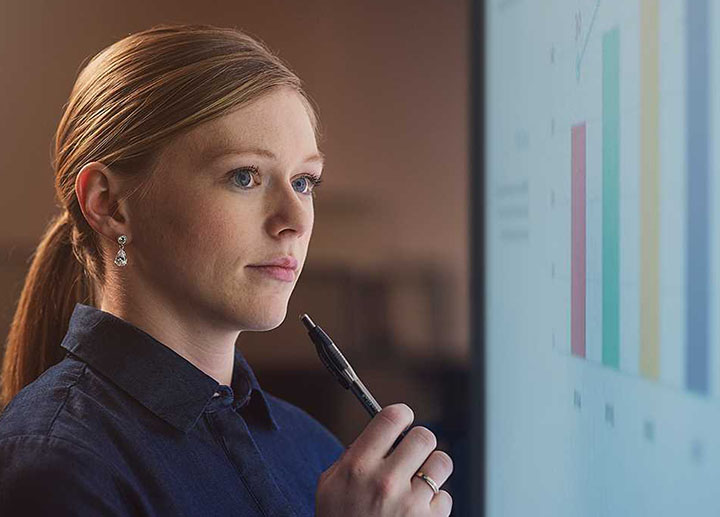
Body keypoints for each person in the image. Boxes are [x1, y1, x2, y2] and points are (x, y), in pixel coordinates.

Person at [0, 23, 454, 516]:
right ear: (110, 204)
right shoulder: (57, 464)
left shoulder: (314, 447)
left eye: (304, 181)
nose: (296, 220)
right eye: (245, 176)